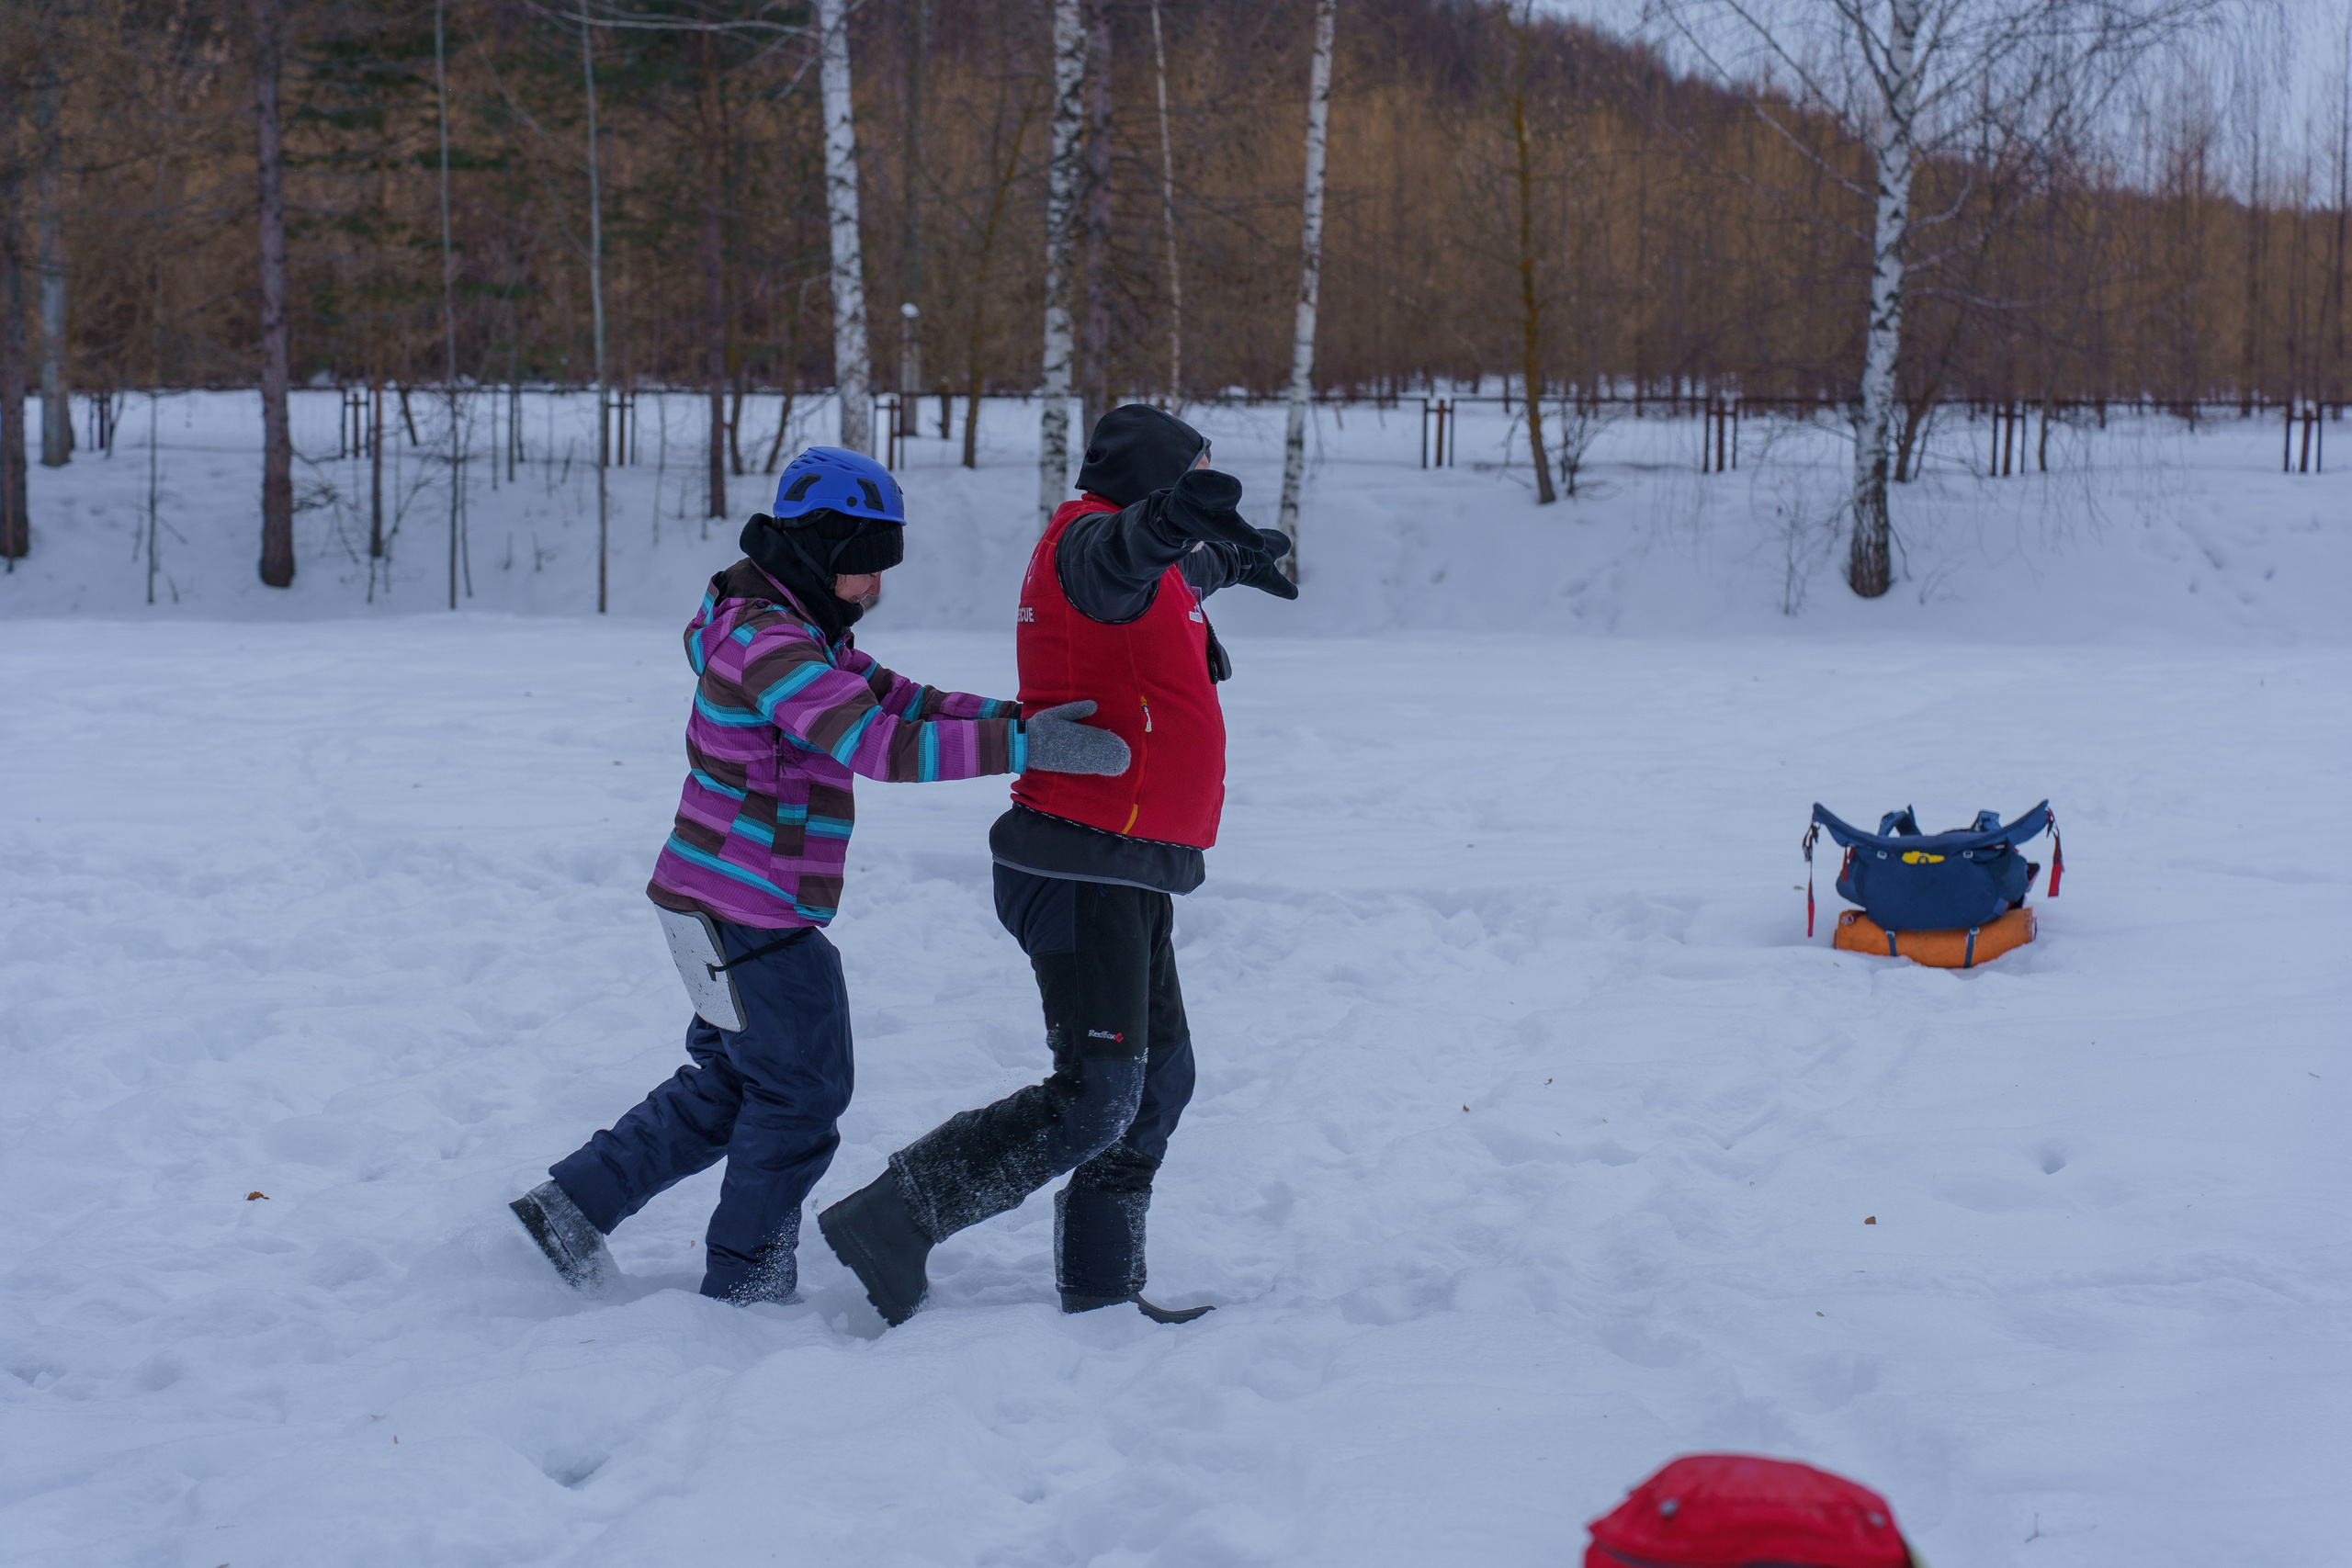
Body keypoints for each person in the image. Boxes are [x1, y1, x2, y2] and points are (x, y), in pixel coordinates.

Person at [509, 446, 1128, 1305]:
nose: (874, 589)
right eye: (863, 568)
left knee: (733, 1086)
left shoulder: (797, 625)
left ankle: (570, 1206)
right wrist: (1027, 748)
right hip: (748, 907)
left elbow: (901, 701)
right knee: (802, 1093)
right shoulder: (769, 645)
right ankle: (748, 1282)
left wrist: (1019, 718)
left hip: (713, 898)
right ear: (816, 548)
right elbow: (876, 742)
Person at [819, 405, 1298, 1326]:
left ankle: (1103, 1285)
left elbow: (1167, 567)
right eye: (1187, 479)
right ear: (1152, 481)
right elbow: (1118, 560)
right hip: (1082, 864)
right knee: (1098, 1094)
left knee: (1158, 1081)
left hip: (1128, 865)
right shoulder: (1089, 548)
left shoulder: (1148, 566)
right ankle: (894, 1216)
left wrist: (1235, 553)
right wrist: (1160, 524)